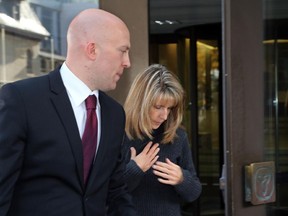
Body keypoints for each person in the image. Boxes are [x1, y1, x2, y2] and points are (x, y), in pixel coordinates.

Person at [0, 9, 138, 216]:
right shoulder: (22, 100)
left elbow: (116, 191)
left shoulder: (114, 114)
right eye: (123, 50)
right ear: (92, 50)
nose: (127, 62)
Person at [123, 64, 202, 216]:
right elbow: (105, 192)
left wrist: (181, 178)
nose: (164, 116)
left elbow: (194, 193)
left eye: (170, 108)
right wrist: (135, 169)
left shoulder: (177, 137)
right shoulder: (119, 134)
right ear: (141, 103)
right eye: (158, 107)